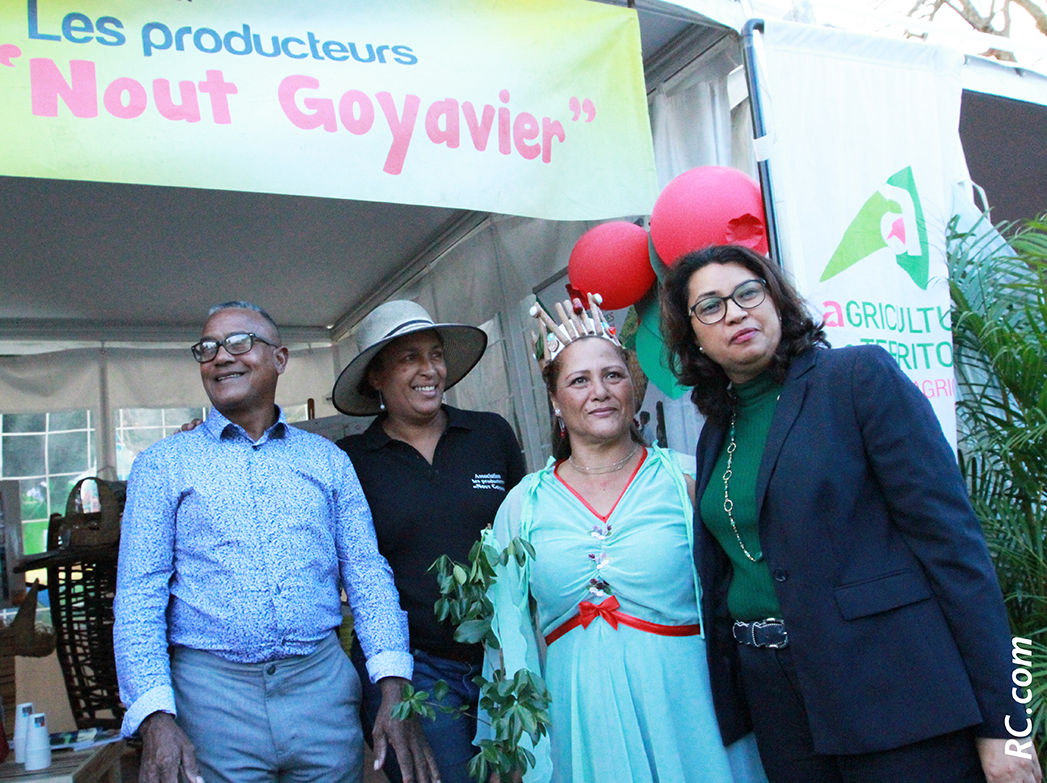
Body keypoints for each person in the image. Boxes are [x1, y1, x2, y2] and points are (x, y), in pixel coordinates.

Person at [659, 244, 1042, 783]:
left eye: (748, 292)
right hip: (780, 706)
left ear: (776, 299)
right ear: (693, 335)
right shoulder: (716, 432)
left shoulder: (856, 378)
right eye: (711, 306)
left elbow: (955, 550)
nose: (736, 312)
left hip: (893, 691)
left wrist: (1008, 723)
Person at [113, 300, 439, 783]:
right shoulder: (162, 465)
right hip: (212, 701)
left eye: (240, 343)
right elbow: (138, 597)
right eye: (207, 348)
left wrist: (394, 686)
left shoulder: (327, 460)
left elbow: (367, 574)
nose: (221, 356)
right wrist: (155, 716)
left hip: (322, 692)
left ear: (280, 359)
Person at [480, 295, 767, 783]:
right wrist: (516, 751)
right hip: (580, 719)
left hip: (688, 709)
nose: (600, 391)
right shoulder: (521, 507)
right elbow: (508, 642)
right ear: (555, 400)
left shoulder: (688, 482)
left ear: (632, 386)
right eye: (579, 380)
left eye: (612, 375)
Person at [332, 300, 526, 783]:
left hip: (505, 658)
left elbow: (529, 530)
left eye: (435, 354)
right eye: (409, 357)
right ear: (376, 377)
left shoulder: (489, 434)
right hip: (413, 668)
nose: (430, 370)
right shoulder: (352, 460)